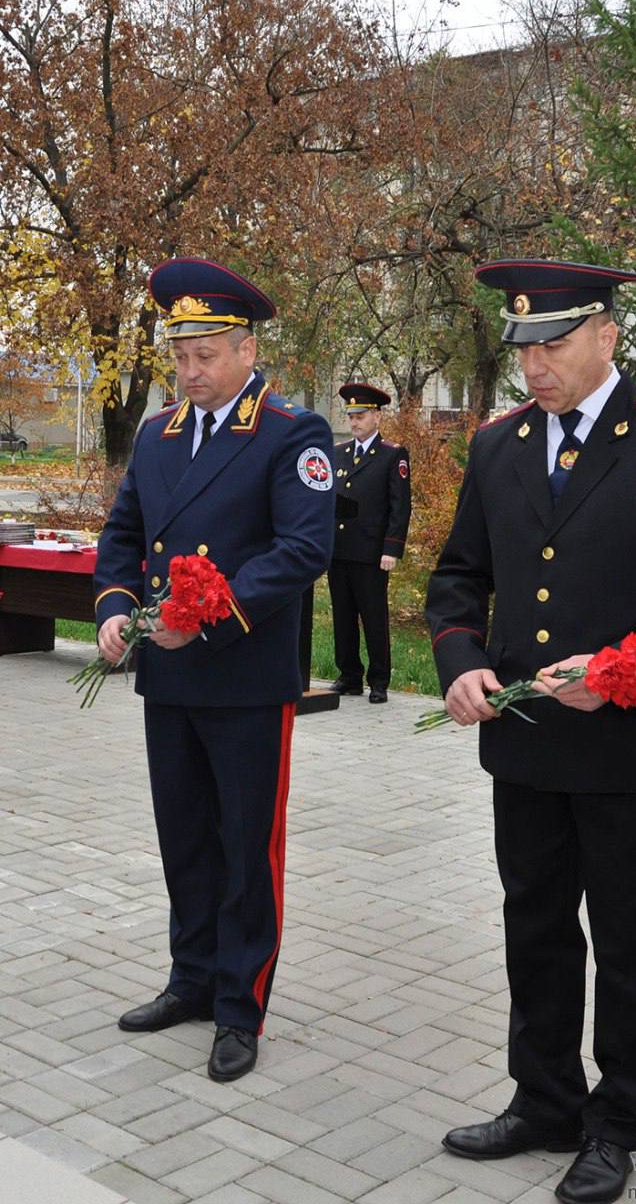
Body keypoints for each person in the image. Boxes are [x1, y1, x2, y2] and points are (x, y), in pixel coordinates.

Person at [426, 259, 636, 1204]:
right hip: (524, 743)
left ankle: (619, 1120)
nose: (535, 367)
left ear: (607, 334)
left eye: (554, 344)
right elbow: (456, 577)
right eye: (523, 348)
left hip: (624, 747)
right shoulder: (497, 444)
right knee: (535, 928)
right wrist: (461, 661)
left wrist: (624, 669)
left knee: (633, 944)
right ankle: (544, 1100)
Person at [94, 257, 335, 1082]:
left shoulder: (289, 432)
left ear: (245, 348)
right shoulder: (157, 434)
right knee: (184, 840)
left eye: (205, 354)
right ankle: (190, 979)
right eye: (180, 355)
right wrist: (115, 608)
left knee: (243, 847)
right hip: (167, 679)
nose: (189, 372)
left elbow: (303, 549)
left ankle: (241, 1004)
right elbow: (122, 535)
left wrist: (203, 616)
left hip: (241, 675)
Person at [327, 381, 411, 704]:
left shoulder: (392, 455)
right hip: (340, 550)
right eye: (351, 416)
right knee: (342, 615)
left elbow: (400, 505)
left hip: (372, 552)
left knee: (373, 617)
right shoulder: (339, 453)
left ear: (376, 417)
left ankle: (379, 680)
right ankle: (349, 675)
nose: (354, 422)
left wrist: (392, 547)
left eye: (361, 416)